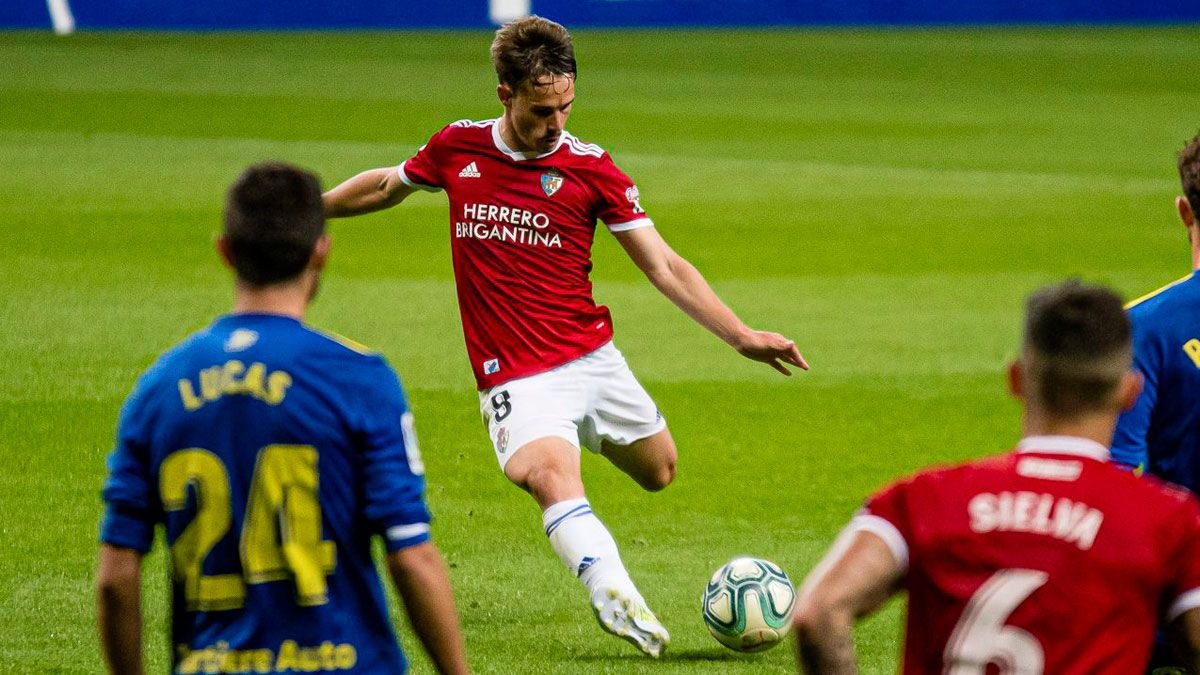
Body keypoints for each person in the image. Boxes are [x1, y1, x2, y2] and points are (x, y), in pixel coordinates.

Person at [321, 16, 806, 657]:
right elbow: (388, 183)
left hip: (591, 356)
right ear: (505, 93)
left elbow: (663, 264)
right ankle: (610, 587)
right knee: (549, 473)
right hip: (514, 371)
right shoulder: (458, 148)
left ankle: (572, 443)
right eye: (542, 109)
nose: (556, 123)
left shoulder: (591, 168)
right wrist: (311, 208)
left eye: (566, 107)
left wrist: (738, 334)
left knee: (660, 470)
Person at [95, 162, 469, 675]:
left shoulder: (158, 389)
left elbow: (115, 578)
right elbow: (409, 554)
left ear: (225, 250)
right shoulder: (359, 380)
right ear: (322, 250)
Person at [793, 280, 1200, 674]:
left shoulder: (923, 500)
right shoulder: (1167, 521)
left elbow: (818, 611)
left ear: (1017, 379)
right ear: (1130, 392)